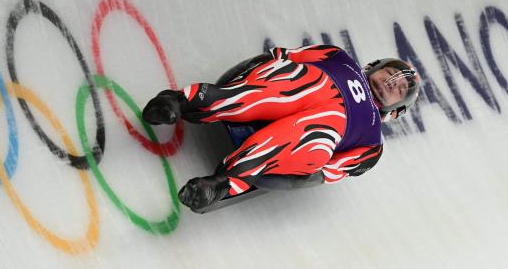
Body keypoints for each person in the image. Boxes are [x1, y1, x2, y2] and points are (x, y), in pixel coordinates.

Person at [142, 45, 421, 213]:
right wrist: (264, 65)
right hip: (301, 86)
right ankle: (179, 102)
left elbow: (327, 171)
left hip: (317, 131)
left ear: (394, 111)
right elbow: (284, 56)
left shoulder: (372, 142)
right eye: (392, 74)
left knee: (314, 132)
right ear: (374, 66)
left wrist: (297, 174)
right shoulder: (340, 58)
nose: (393, 82)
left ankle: (221, 184)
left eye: (400, 89)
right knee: (287, 83)